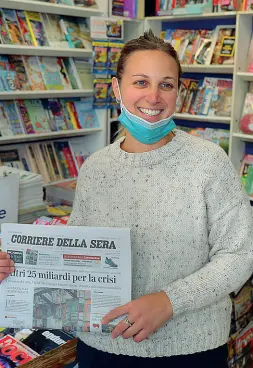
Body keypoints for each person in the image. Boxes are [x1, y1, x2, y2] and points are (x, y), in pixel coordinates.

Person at [1, 30, 253, 368]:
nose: (153, 96)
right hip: (102, 346)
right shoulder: (95, 168)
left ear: (178, 92)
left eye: (166, 84)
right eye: (140, 82)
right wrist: (18, 266)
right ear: (118, 88)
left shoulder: (209, 162)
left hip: (190, 349)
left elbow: (240, 254)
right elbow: (71, 257)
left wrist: (169, 301)